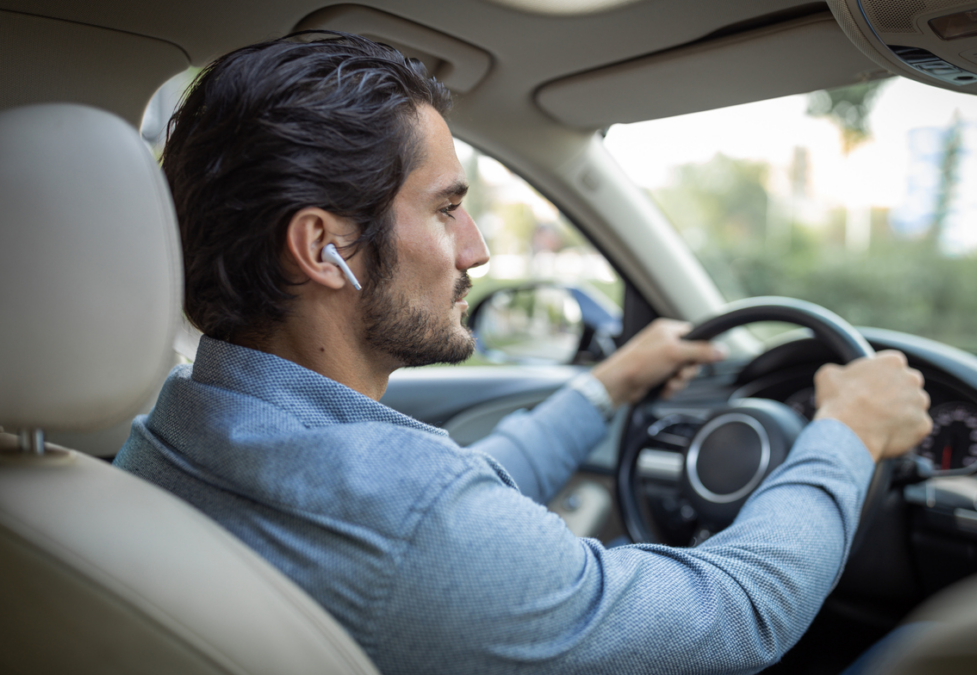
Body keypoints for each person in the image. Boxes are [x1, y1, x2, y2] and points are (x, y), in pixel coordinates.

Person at [115, 32, 932, 675]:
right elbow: (733, 616)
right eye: (445, 211)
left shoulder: (173, 431)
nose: (476, 251)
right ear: (325, 248)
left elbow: (452, 514)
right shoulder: (414, 520)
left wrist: (605, 388)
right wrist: (847, 432)